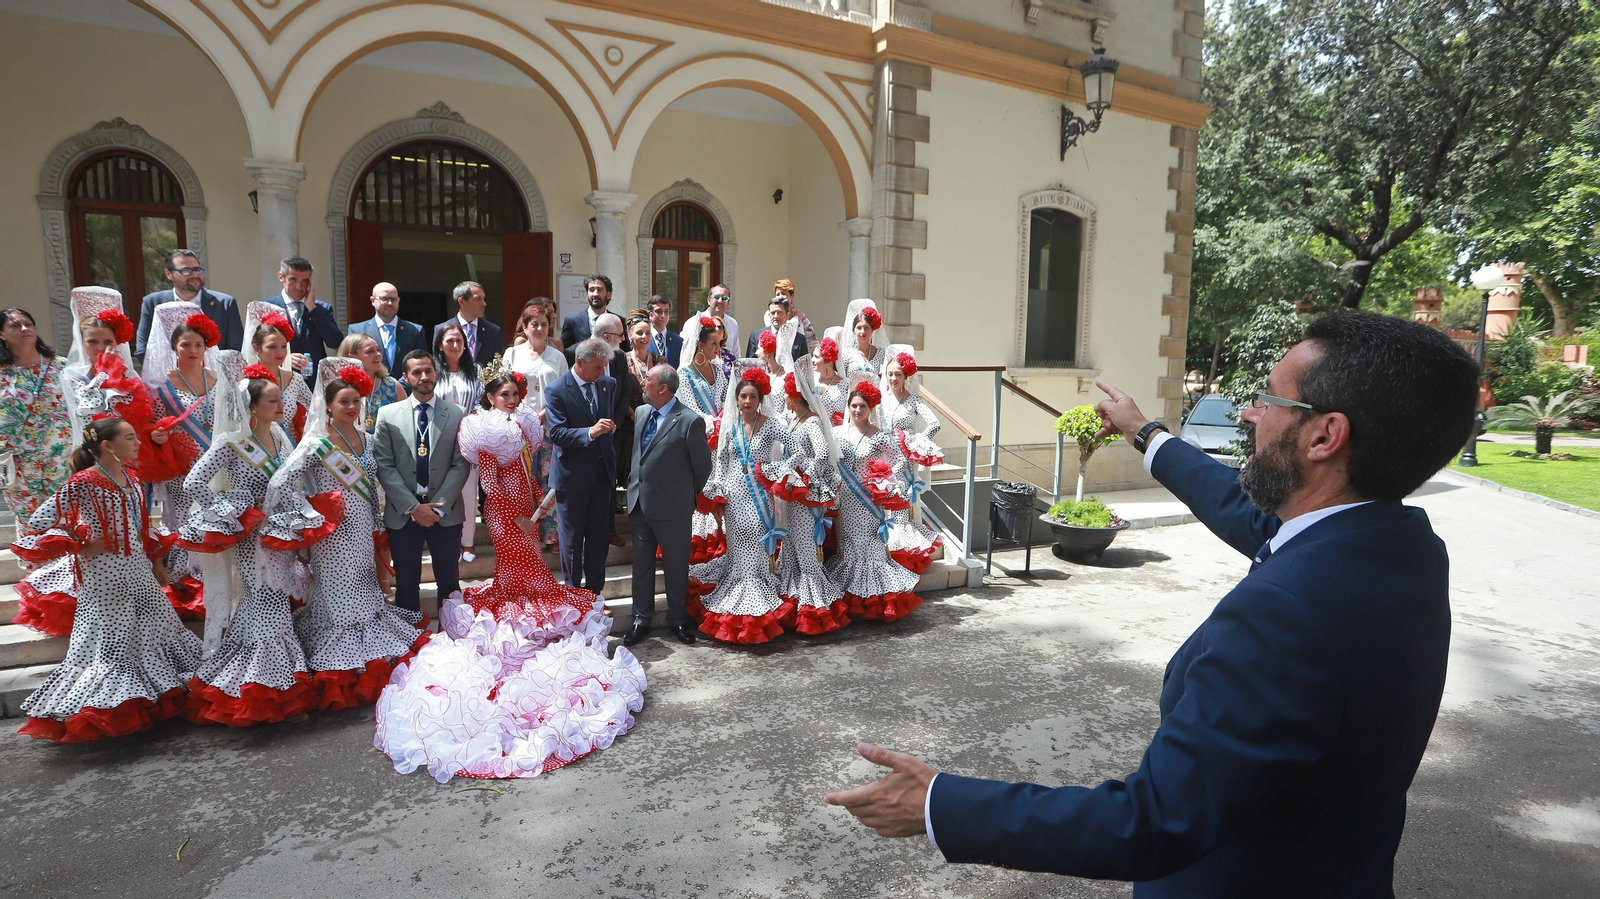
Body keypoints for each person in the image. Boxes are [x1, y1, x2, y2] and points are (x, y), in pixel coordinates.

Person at [826, 312, 1481, 899]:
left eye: (1269, 399)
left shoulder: (1285, 614)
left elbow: (1156, 820)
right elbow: (1246, 513)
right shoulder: (1399, 547)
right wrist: (1146, 433)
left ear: (1325, 436)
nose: (1250, 415)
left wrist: (939, 803)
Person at [373, 362, 646, 782]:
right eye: (504, 395)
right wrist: (513, 512)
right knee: (526, 566)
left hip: (524, 508)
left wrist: (537, 500)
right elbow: (491, 483)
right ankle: (518, 612)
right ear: (489, 397)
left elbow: (524, 469)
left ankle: (522, 609)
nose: (512, 400)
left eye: (515, 395)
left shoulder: (518, 428)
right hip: (503, 513)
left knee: (528, 566)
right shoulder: (484, 431)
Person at [13, 416, 202, 742]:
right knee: (114, 644)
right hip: (104, 576)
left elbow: (141, 526)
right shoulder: (84, 481)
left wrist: (156, 561)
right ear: (107, 446)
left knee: (157, 632)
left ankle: (149, 699)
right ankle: (108, 707)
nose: (138, 443)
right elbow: (39, 521)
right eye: (129, 437)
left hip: (139, 571)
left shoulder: (132, 477)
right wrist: (81, 545)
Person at [265, 358, 427, 710]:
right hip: (333, 535)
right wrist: (308, 514)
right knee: (338, 592)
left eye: (356, 401)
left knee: (364, 589)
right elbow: (281, 482)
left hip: (363, 531)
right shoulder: (316, 443)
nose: (351, 407)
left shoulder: (367, 439)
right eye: (344, 402)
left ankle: (371, 651)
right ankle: (342, 660)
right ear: (328, 405)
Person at [175, 354, 312, 726]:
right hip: (253, 539)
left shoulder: (280, 437)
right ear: (252, 406)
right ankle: (263, 684)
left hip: (282, 534)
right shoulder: (232, 442)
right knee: (266, 599)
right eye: (272, 400)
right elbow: (193, 482)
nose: (281, 405)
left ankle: (248, 679)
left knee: (268, 601)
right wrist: (228, 513)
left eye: (280, 398)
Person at [10, 291, 136, 638]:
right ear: (82, 342)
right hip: (92, 464)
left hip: (127, 465)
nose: (100, 347)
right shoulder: (73, 375)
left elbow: (135, 418)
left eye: (107, 342)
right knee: (96, 536)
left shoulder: (130, 376)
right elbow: (83, 420)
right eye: (92, 341)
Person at [686, 362, 795, 644]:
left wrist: (777, 470)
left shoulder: (771, 425)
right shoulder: (730, 427)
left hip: (759, 495)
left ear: (761, 400)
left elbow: (795, 449)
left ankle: (755, 596)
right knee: (737, 545)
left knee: (756, 543)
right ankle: (737, 591)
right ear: (736, 399)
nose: (748, 401)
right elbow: (721, 462)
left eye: (753, 397)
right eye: (743, 396)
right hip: (734, 496)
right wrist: (717, 494)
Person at [373, 351, 472, 618]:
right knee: (406, 583)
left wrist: (437, 508)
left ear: (436, 374)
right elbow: (384, 465)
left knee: (449, 581)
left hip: (446, 513)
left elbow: (460, 464)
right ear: (405, 378)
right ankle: (411, 635)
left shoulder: (456, 413)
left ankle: (452, 632)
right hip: (404, 514)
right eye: (416, 372)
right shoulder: (388, 415)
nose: (424, 376)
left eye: (428, 371)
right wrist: (413, 507)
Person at [760, 337, 847, 635]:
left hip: (805, 493)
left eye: (786, 395)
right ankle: (797, 599)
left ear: (793, 397)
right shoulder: (795, 420)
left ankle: (815, 604)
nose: (785, 400)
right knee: (793, 544)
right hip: (793, 492)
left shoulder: (810, 422)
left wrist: (803, 476)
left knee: (805, 545)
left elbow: (822, 454)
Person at [622, 363, 712, 647]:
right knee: (642, 567)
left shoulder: (689, 420)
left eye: (647, 378)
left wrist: (684, 495)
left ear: (663, 388)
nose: (642, 382)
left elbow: (702, 467)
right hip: (639, 504)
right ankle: (641, 620)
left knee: (675, 567)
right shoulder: (642, 413)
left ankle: (677, 619)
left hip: (673, 509)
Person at [145, 301, 222, 621]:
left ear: (206, 347)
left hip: (217, 467)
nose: (192, 350)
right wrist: (157, 436)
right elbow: (152, 425)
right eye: (185, 344)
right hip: (182, 468)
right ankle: (188, 584)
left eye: (198, 345)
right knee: (187, 522)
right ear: (174, 347)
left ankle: (218, 578)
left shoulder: (218, 379)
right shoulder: (160, 386)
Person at [823, 375, 922, 622]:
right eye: (854, 405)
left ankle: (875, 600)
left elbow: (900, 460)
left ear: (871, 409)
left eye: (862, 406)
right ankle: (851, 598)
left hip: (869, 503)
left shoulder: (879, 436)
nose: (857, 410)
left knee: (870, 549)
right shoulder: (836, 433)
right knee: (848, 548)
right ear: (848, 407)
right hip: (846, 501)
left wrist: (884, 479)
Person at [543, 338, 617, 594]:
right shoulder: (556, 390)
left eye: (604, 367)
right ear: (580, 362)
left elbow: (606, 418)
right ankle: (574, 596)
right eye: (597, 367)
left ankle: (594, 595)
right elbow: (557, 434)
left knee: (599, 538)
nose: (601, 373)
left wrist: (608, 429)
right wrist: (590, 432)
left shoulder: (607, 384)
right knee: (572, 541)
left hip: (602, 474)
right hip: (572, 477)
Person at [0, 307, 73, 523]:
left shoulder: (61, 366)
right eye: (15, 326)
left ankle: (64, 548)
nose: (24, 329)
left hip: (61, 453)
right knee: (29, 520)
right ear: (2, 334)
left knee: (64, 515)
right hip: (17, 459)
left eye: (28, 324)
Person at [878, 346, 944, 575]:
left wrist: (916, 443)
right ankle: (884, 558)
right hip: (882, 459)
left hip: (904, 461)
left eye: (898, 374)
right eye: (890, 374)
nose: (893, 378)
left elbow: (934, 424)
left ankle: (901, 561)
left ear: (906, 376)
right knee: (882, 509)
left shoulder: (914, 400)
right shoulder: (880, 400)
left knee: (899, 511)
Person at [676, 315, 729, 565]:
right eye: (713, 344)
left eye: (719, 343)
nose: (718, 349)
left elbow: (726, 401)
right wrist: (713, 423)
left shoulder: (718, 370)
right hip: (700, 441)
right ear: (700, 345)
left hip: (721, 441)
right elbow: (689, 408)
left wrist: (725, 420)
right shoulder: (684, 374)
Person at [433, 322, 483, 561]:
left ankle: (468, 543)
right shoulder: (432, 371)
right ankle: (446, 542)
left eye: (459, 341)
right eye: (450, 341)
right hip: (439, 439)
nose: (455, 345)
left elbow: (483, 401)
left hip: (468, 440)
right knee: (441, 491)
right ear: (440, 345)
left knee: (468, 492)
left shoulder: (475, 371)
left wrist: (473, 415)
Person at [135, 249, 243, 359]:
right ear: (168, 274)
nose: (195, 275)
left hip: (214, 370)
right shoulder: (153, 303)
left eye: (197, 269)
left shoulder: (224, 303)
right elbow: (143, 350)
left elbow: (234, 350)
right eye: (186, 270)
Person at [242, 301, 315, 442]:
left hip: (286, 446)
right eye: (272, 347)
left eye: (283, 346)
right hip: (256, 448)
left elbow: (315, 409)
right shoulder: (246, 381)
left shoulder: (295, 379)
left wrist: (300, 427)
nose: (280, 352)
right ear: (256, 348)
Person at [263, 256, 341, 383]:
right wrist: (285, 358)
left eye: (304, 281)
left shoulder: (321, 309)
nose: (299, 287)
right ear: (281, 277)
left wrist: (312, 309)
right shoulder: (267, 307)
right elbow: (256, 348)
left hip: (314, 382)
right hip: (279, 380)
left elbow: (335, 342)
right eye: (293, 279)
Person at [337, 332, 408, 437]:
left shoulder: (393, 385)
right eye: (370, 351)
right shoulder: (338, 388)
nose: (378, 354)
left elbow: (407, 422)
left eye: (378, 350)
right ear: (352, 357)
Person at [347, 282, 426, 372]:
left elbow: (421, 364)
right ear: (373, 301)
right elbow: (353, 364)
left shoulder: (415, 331)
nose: (389, 303)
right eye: (384, 299)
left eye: (394, 299)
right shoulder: (357, 330)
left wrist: (397, 382)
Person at [432, 281, 504, 367]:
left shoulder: (493, 331)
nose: (484, 304)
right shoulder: (441, 329)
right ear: (461, 301)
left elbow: (499, 365)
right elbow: (437, 362)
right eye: (478, 299)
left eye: (483, 299)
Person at [746, 295, 809, 361]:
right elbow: (750, 363)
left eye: (779, 313)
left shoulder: (799, 338)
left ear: (787, 314)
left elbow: (804, 365)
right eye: (773, 313)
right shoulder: (756, 336)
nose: (776, 316)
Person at [561, 273, 613, 347]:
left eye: (599, 290)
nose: (595, 294)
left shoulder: (619, 321)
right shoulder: (572, 321)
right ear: (587, 294)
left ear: (608, 295)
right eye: (591, 290)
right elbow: (566, 350)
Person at [839, 299, 887, 378]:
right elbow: (842, 378)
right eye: (859, 328)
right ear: (853, 330)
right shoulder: (846, 354)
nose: (863, 331)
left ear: (872, 330)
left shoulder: (881, 353)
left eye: (866, 327)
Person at [695, 284, 739, 356]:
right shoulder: (695, 322)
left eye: (725, 298)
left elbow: (736, 353)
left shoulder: (732, 323)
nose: (720, 301)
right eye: (717, 297)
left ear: (728, 303)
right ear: (709, 300)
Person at [773, 278, 818, 345]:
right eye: (778, 294)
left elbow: (813, 341)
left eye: (783, 293)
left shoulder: (800, 317)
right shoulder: (770, 315)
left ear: (792, 296)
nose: (780, 297)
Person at [646, 295, 683, 367]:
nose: (663, 316)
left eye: (666, 312)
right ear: (650, 314)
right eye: (659, 311)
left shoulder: (678, 341)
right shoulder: (642, 338)